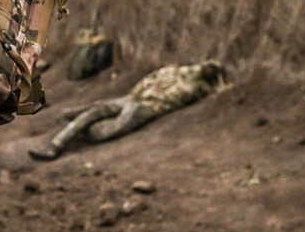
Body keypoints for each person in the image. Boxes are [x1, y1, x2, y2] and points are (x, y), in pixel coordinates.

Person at [29, 61, 226, 161]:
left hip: (145, 105)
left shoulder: (194, 84)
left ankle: (74, 132)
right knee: (100, 115)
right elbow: (149, 80)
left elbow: (215, 88)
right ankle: (59, 142)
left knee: (108, 126)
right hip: (138, 100)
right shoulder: (180, 75)